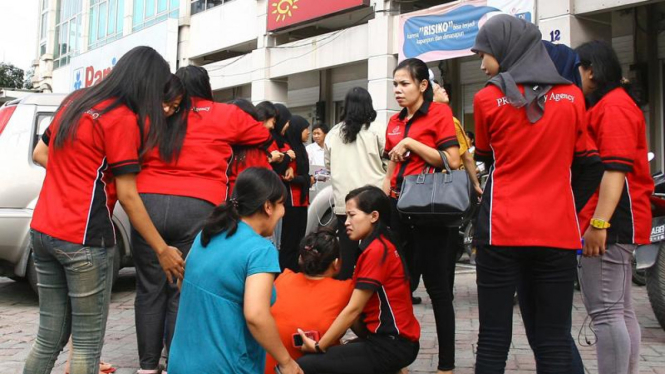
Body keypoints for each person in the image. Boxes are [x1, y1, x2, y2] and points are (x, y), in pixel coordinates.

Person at [25, 46, 184, 374]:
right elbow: (129, 196)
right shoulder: (122, 118)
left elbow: (42, 153)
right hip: (83, 239)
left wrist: (74, 175)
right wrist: (162, 249)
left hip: (42, 230)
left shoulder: (76, 99)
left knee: (48, 338)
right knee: (86, 343)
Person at [470, 15, 601, 373]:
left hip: (501, 229)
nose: (481, 64)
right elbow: (592, 164)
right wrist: (565, 201)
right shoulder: (573, 96)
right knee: (554, 337)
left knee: (494, 337)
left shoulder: (486, 99)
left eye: (484, 54)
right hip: (556, 231)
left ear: (506, 50)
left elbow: (484, 155)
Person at [133, 66, 271, 373]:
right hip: (198, 205)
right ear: (206, 87)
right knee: (181, 286)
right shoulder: (224, 114)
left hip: (146, 203)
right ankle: (174, 361)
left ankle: (146, 366)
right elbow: (262, 134)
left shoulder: (156, 113)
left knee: (148, 287)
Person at [168, 168, 303, 374]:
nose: (284, 211)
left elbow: (182, 283)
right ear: (268, 206)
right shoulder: (260, 250)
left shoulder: (208, 232)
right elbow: (256, 315)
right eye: (282, 204)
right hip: (224, 365)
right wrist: (286, 362)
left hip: (181, 362)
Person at [576, 40, 653, 374]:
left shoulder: (614, 107)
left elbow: (616, 169)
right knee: (619, 310)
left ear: (591, 70)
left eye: (578, 69)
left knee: (607, 312)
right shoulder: (612, 104)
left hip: (613, 221)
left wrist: (599, 225)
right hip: (616, 219)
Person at [514, 40, 590, 374]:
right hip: (535, 232)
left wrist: (582, 217)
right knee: (542, 329)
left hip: (553, 234)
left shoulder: (569, 109)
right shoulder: (541, 109)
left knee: (551, 332)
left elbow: (594, 168)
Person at [384, 57, 460, 374]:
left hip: (430, 213)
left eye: (404, 84)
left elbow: (452, 160)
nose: (398, 91)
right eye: (395, 85)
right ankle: (396, 357)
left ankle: (446, 365)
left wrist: (412, 143)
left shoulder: (440, 114)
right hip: (397, 211)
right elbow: (390, 166)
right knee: (397, 287)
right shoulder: (393, 122)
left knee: (438, 290)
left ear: (422, 85)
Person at [297, 186, 420, 374]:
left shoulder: (376, 250)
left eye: (352, 215)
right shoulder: (380, 244)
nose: (346, 222)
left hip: (391, 345)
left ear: (374, 216)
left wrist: (319, 346)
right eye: (346, 216)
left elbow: (353, 309)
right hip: (393, 342)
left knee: (304, 365)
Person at [264, 229, 354, 374]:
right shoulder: (345, 290)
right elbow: (362, 331)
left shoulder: (283, 278)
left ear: (301, 258)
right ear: (336, 263)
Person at [325, 87, 386, 280]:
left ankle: (345, 298)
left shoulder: (333, 134)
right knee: (377, 252)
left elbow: (328, 165)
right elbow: (389, 161)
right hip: (373, 204)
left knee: (347, 255)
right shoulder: (377, 130)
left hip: (345, 206)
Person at [228, 99, 284, 194]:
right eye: (273, 122)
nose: (273, 127)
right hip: (251, 197)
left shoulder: (222, 143)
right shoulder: (258, 145)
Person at [279, 115, 311, 272]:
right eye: (306, 129)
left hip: (302, 200)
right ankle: (285, 273)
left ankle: (294, 272)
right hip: (291, 201)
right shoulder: (288, 150)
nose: (309, 133)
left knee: (299, 239)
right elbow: (287, 177)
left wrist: (306, 179)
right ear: (297, 130)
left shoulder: (301, 148)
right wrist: (307, 179)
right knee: (289, 241)